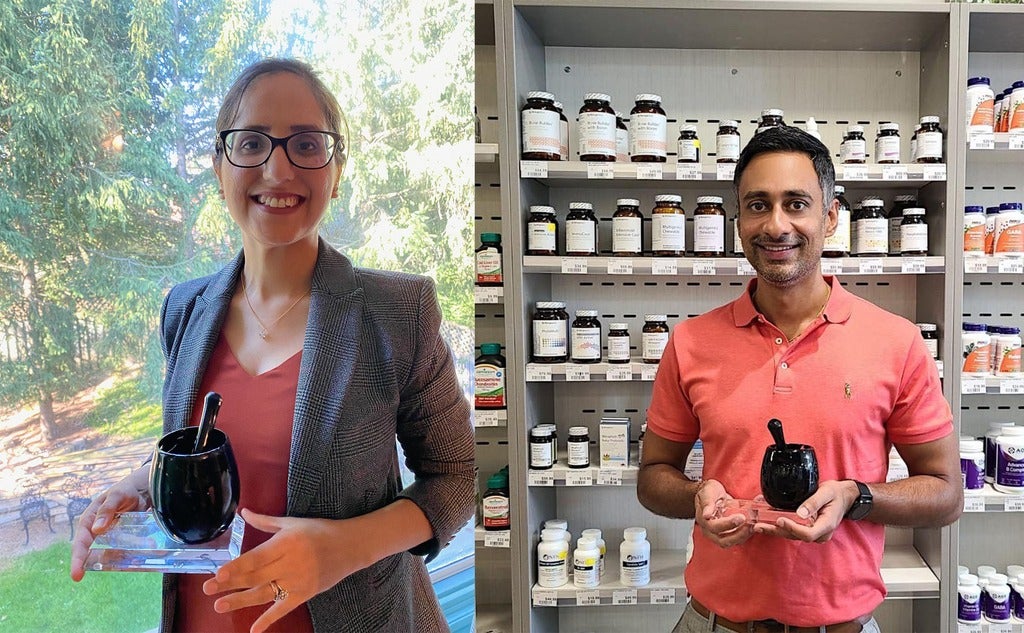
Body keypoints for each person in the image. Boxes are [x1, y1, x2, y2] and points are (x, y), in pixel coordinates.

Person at [69, 58, 475, 633]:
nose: (278, 168)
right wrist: (135, 487)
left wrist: (343, 548)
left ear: (336, 169)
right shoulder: (184, 310)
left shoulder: (396, 313)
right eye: (252, 142)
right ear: (218, 165)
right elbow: (201, 450)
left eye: (306, 144)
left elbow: (457, 476)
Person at [637, 125, 962, 632]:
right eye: (758, 205)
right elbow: (654, 476)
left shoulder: (895, 342)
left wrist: (858, 497)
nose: (776, 224)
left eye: (796, 203)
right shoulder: (691, 342)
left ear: (830, 217)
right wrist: (697, 497)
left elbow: (946, 494)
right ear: (738, 220)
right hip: (715, 622)